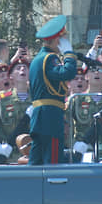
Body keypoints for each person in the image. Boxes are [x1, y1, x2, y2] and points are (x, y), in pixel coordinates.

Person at [28, 15, 79, 165]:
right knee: (52, 161)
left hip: (41, 117)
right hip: (50, 117)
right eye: (62, 39)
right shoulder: (49, 58)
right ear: (57, 40)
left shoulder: (38, 59)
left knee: (36, 162)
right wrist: (69, 54)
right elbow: (67, 73)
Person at [0, 59, 33, 163]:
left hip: (32, 157)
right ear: (11, 76)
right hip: (8, 157)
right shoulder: (1, 99)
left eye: (25, 68)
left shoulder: (37, 99)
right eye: (18, 68)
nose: (22, 69)